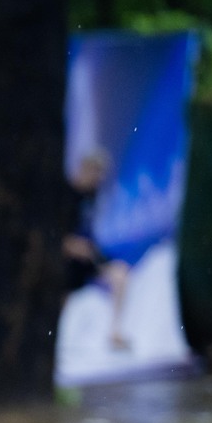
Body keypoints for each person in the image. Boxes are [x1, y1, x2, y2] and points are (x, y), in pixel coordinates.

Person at [64, 148, 132, 350]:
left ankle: (115, 332)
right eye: (96, 172)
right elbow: (52, 237)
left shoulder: (92, 195)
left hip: (88, 257)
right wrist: (74, 246)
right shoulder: (65, 196)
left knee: (120, 275)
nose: (99, 178)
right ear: (84, 169)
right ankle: (57, 344)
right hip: (66, 261)